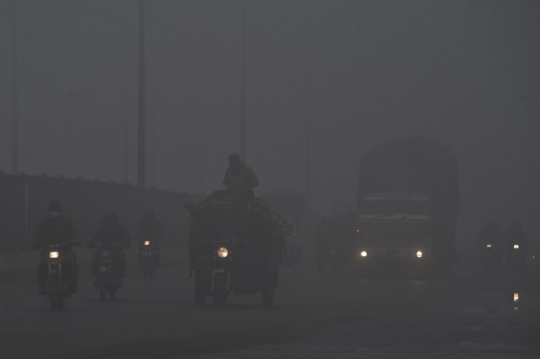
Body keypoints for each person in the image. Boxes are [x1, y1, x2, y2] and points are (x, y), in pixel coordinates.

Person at [33, 200, 79, 295]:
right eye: (52, 210)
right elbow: (38, 235)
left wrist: (73, 241)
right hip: (47, 250)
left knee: (72, 263)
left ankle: (72, 285)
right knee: (41, 266)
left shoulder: (67, 221)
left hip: (64, 250)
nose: (54, 212)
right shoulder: (43, 223)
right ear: (49, 211)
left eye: (56, 210)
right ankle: (42, 286)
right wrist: (36, 243)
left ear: (60, 211)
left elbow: (73, 233)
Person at [88, 212, 130, 286]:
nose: (110, 221)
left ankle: (118, 276)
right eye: (108, 219)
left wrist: (126, 243)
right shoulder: (102, 229)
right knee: (96, 257)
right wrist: (91, 243)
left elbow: (126, 237)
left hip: (116, 250)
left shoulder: (120, 229)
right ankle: (97, 275)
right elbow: (95, 238)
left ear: (115, 220)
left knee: (120, 258)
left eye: (112, 219)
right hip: (102, 250)